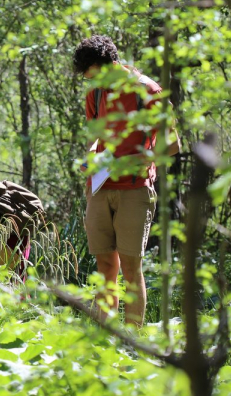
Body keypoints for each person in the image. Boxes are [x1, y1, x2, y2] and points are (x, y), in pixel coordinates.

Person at [73, 34, 180, 326]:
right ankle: (105, 337)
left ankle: (133, 343)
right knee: (105, 265)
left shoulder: (147, 90)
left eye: (93, 74)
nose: (93, 82)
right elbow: (96, 139)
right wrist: (88, 164)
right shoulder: (95, 95)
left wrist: (140, 160)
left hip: (135, 190)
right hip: (99, 188)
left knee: (131, 269)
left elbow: (172, 145)